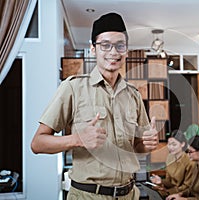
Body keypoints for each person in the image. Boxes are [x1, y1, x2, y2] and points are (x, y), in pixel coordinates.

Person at [31, 12, 158, 200]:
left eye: (120, 45)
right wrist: (78, 139)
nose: (114, 52)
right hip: (88, 195)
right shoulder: (73, 88)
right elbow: (38, 143)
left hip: (130, 194)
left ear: (126, 51)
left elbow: (137, 146)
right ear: (93, 49)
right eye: (105, 45)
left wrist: (147, 145)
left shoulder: (134, 95)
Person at [166, 135, 199, 200]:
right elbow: (192, 189)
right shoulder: (197, 165)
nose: (188, 154)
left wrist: (184, 199)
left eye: (190, 152)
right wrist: (179, 194)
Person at [150, 130, 195, 195]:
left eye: (174, 144)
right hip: (171, 190)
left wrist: (168, 191)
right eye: (169, 144)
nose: (171, 147)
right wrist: (161, 181)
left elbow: (187, 186)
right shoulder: (169, 158)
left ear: (182, 144)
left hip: (183, 193)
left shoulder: (189, 161)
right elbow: (169, 181)